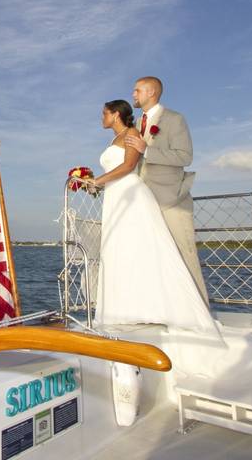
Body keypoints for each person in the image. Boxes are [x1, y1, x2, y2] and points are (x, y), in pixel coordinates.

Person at [89, 99, 217, 334]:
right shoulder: (114, 138)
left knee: (145, 249)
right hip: (116, 194)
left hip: (130, 193)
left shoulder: (131, 132)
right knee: (121, 250)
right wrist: (95, 183)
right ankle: (125, 309)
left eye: (104, 113)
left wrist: (97, 181)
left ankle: (169, 308)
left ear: (116, 115)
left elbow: (128, 166)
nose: (101, 118)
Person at [124, 76, 209, 305]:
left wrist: (147, 150)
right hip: (142, 200)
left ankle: (200, 311)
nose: (133, 94)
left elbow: (185, 156)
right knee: (151, 257)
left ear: (151, 92)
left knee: (184, 254)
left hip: (171, 199)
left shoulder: (174, 119)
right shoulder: (134, 125)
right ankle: (161, 309)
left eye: (137, 90)